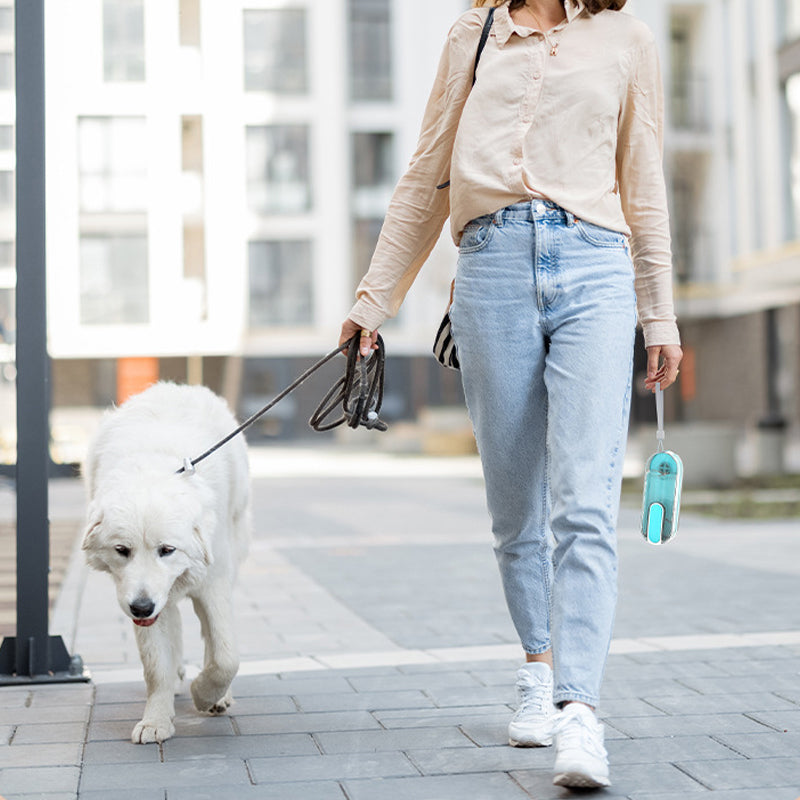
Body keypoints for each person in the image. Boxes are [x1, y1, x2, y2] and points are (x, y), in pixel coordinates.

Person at [339, 0, 682, 788]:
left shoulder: (627, 41)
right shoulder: (478, 31)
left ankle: (580, 712)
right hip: (490, 269)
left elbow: (644, 178)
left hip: (595, 265)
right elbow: (427, 174)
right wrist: (372, 302)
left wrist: (658, 310)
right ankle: (537, 663)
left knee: (585, 502)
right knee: (513, 504)